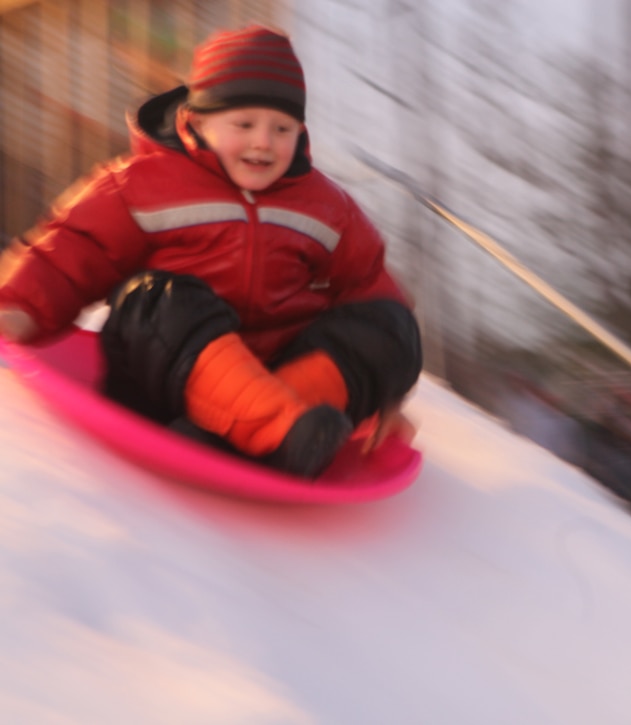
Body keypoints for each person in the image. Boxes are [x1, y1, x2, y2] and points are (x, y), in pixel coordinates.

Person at [0, 25, 422, 479]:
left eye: (281, 128)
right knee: (154, 299)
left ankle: (273, 427)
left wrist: (384, 392)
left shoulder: (325, 206)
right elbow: (72, 248)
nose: (263, 141)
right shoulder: (142, 184)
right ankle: (273, 430)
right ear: (197, 121)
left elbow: (367, 284)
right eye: (244, 124)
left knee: (391, 323)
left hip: (278, 372)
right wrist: (16, 306)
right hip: (164, 380)